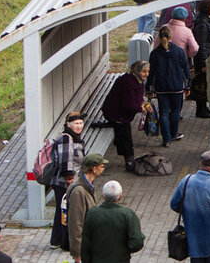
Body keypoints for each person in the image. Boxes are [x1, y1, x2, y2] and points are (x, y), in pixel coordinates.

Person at [146, 26, 191, 148]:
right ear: (171, 37)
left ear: (159, 38)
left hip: (161, 88)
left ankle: (166, 139)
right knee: (176, 111)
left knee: (164, 113)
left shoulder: (155, 53)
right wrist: (188, 87)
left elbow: (151, 73)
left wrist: (148, 88)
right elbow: (186, 70)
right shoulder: (179, 51)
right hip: (176, 86)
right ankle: (174, 133)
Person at [101, 61, 149, 172]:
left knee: (122, 134)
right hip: (116, 113)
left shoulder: (138, 81)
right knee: (126, 136)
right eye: (143, 71)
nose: (146, 74)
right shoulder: (128, 83)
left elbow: (138, 98)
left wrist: (143, 103)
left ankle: (122, 148)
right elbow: (129, 105)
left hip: (121, 113)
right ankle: (129, 161)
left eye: (147, 71)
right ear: (137, 71)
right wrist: (141, 109)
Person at [80, 181, 145, 263]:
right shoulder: (127, 215)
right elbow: (137, 242)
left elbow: (85, 244)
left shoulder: (92, 214)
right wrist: (125, 250)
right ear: (120, 196)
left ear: (102, 196)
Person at [49, 111, 85, 249]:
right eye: (76, 123)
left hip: (67, 181)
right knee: (66, 211)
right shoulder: (67, 138)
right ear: (68, 124)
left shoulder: (74, 138)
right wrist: (69, 178)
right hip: (64, 182)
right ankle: (63, 242)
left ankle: (57, 241)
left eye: (81, 123)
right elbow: (66, 160)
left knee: (62, 210)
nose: (79, 126)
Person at [66, 153, 107, 263]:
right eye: (102, 166)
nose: (104, 169)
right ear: (94, 169)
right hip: (84, 248)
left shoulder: (88, 186)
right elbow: (75, 223)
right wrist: (77, 253)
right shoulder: (79, 192)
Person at [191, 0, 210, 118]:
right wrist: (204, 63)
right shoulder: (202, 24)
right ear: (208, 8)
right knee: (202, 83)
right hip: (204, 58)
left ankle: (203, 107)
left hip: (208, 56)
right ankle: (201, 108)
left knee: (205, 83)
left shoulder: (207, 21)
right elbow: (201, 44)